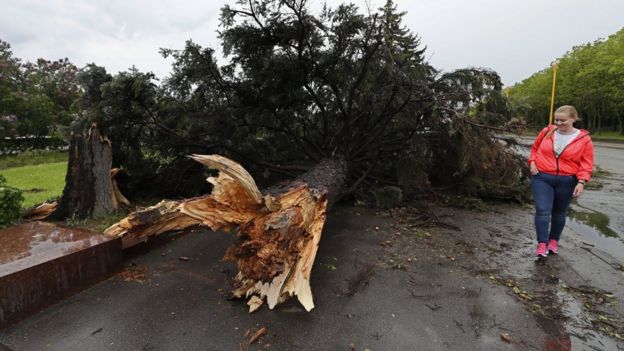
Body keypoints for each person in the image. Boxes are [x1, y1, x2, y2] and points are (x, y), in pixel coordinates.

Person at [528, 105, 594, 257]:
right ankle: (542, 244)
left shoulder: (584, 139)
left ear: (573, 119)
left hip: (567, 181)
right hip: (542, 178)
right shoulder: (547, 132)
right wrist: (532, 162)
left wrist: (581, 182)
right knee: (543, 211)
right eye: (556, 120)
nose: (558, 123)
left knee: (559, 212)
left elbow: (586, 163)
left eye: (562, 120)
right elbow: (535, 149)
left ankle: (553, 241)